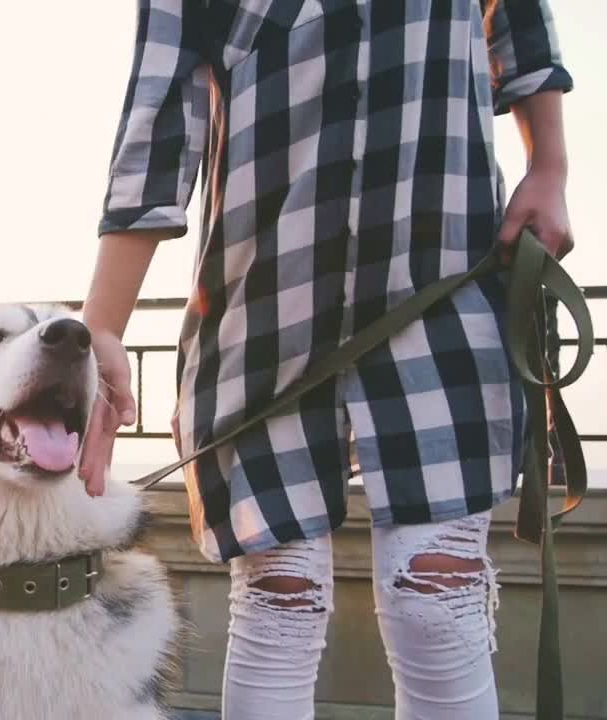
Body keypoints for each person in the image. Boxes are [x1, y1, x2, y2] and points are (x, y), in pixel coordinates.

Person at [78, 1, 573, 717]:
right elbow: (157, 122)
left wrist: (549, 167)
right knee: (281, 604)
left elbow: (522, 32)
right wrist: (102, 333)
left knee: (436, 601)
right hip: (261, 308)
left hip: (442, 277)